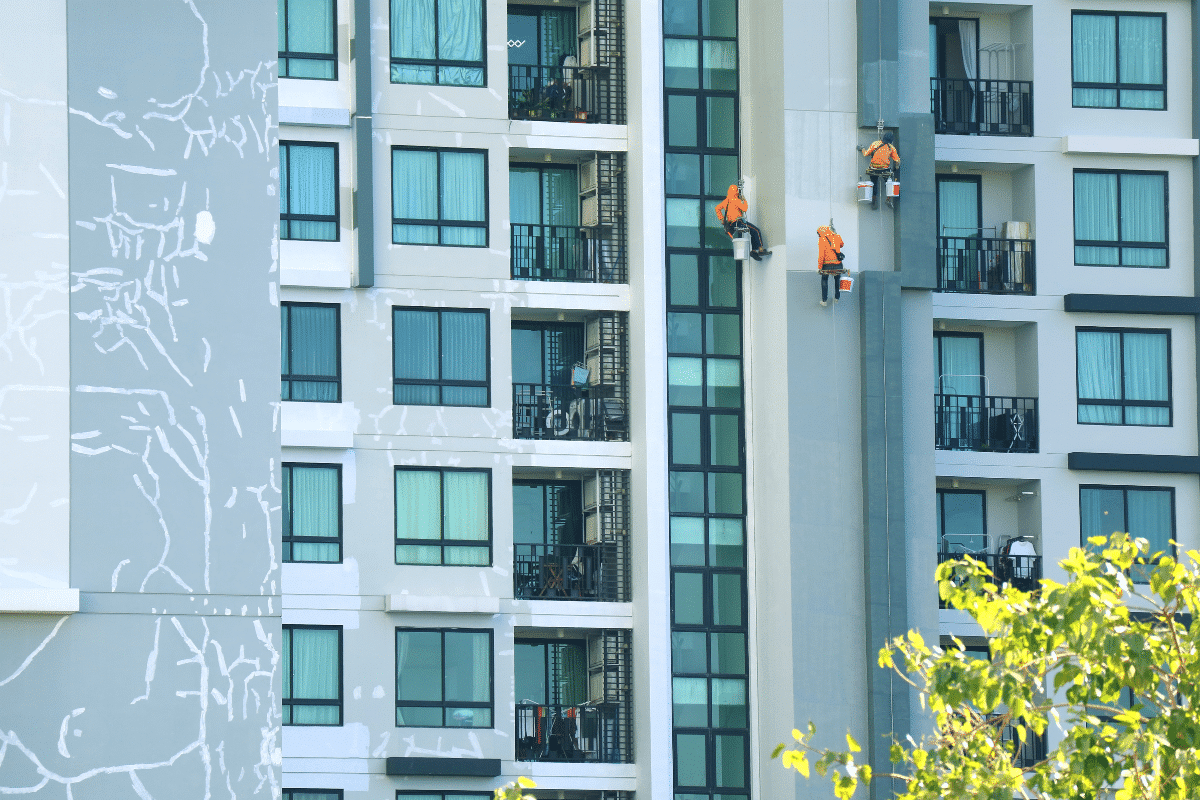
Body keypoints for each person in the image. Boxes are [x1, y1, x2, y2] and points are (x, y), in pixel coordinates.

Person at [714, 184, 769, 260]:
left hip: (732, 224)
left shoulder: (726, 201)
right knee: (756, 230)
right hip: (738, 222)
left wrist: (722, 219)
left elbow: (717, 208)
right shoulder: (736, 200)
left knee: (752, 231)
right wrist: (744, 200)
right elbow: (744, 208)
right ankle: (760, 250)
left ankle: (754, 251)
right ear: (736, 191)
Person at [860, 131, 900, 208]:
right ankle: (888, 199)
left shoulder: (875, 144)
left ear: (883, 137)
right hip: (885, 170)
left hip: (873, 169)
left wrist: (862, 149)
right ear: (891, 140)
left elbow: (866, 154)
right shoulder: (891, 148)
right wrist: (896, 168)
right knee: (889, 185)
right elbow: (897, 161)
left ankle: (874, 201)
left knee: (874, 184)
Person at [817, 225, 845, 305]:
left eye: (819, 233)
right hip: (838, 264)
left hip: (827, 265)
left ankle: (824, 300)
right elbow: (841, 245)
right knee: (837, 279)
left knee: (824, 279)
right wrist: (835, 235)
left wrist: (819, 267)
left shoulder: (821, 239)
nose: (819, 235)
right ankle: (837, 298)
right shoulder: (837, 236)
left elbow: (821, 255)